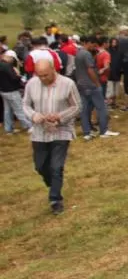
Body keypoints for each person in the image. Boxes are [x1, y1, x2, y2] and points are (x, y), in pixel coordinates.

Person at [22, 59, 81, 214]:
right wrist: (33, 115)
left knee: (56, 166)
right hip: (39, 132)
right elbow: (25, 105)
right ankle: (53, 183)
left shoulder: (68, 84)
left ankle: (55, 199)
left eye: (45, 75)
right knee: (40, 166)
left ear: (53, 69)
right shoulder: (31, 84)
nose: (42, 78)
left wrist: (60, 116)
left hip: (61, 131)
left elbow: (77, 106)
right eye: (39, 75)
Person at [75, 36, 120, 140]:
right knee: (101, 108)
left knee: (85, 109)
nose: (94, 47)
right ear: (88, 42)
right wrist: (97, 83)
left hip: (82, 85)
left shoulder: (78, 53)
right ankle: (104, 130)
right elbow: (90, 70)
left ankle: (87, 132)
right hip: (91, 85)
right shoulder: (86, 54)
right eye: (93, 44)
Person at [1, 50, 32, 134]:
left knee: (7, 111)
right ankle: (29, 126)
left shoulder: (1, 65)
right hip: (11, 90)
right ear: (10, 57)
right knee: (19, 109)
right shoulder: (7, 66)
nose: (13, 61)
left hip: (3, 91)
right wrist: (18, 76)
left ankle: (9, 129)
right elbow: (14, 78)